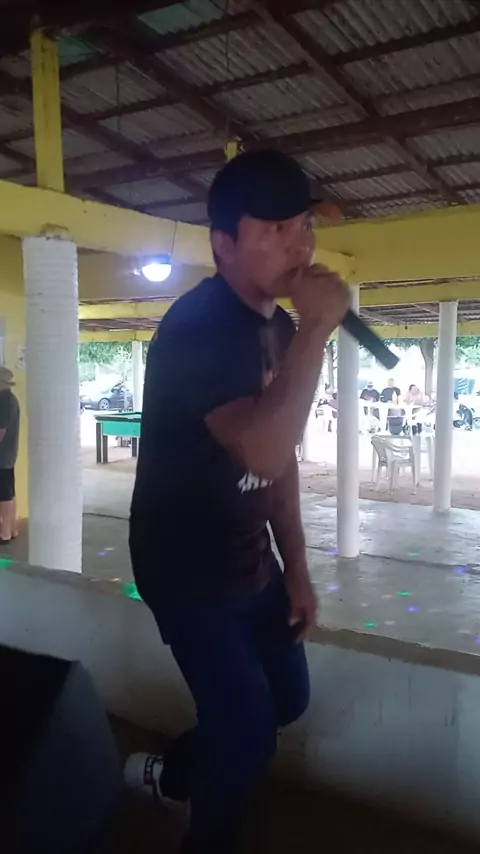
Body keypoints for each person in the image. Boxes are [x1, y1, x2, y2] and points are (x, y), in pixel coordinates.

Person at [127, 149, 349, 853]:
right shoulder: (199, 327)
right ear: (222, 243)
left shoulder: (277, 327)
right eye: (276, 229)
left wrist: (299, 566)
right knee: (249, 735)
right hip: (185, 566)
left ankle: (173, 774)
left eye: (304, 226)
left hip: (250, 556)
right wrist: (317, 332)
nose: (300, 245)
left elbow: (281, 461)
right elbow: (261, 449)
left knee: (286, 701)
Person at [0, 367, 20, 544]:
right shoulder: (11, 399)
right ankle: (12, 529)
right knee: (9, 493)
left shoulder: (4, 401)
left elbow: (1, 431)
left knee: (3, 496)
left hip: (2, 457)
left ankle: (4, 533)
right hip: (8, 455)